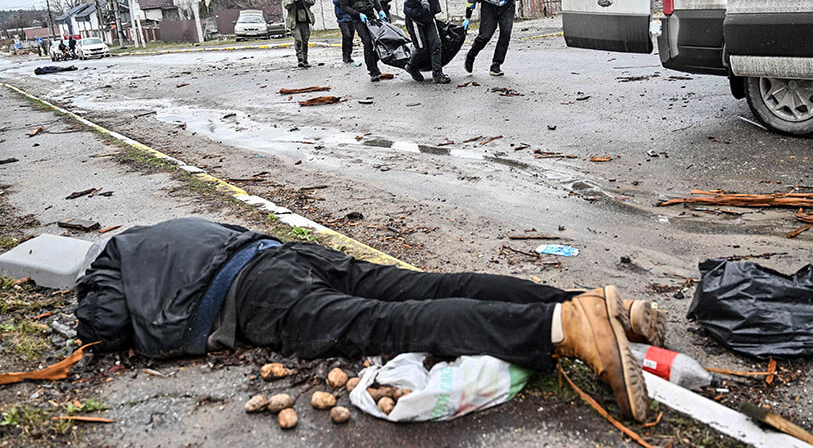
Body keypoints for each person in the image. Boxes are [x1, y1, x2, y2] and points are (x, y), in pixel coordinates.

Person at [75, 217, 661, 422]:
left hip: (255, 295)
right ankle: (600, 303)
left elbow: (103, 323)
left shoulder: (109, 262)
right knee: (430, 286)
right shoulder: (160, 232)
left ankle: (567, 326)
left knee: (387, 324)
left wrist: (90, 303)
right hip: (288, 255)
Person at [403, 0, 450, 84]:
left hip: (428, 15)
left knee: (436, 44)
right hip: (415, 18)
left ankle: (437, 74)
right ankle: (411, 66)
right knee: (422, 48)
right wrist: (423, 0)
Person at [339, 0, 388, 82]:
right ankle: (372, 71)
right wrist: (358, 14)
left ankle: (374, 64)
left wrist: (380, 10)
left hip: (371, 15)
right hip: (358, 19)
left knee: (379, 42)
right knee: (367, 42)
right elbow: (344, 6)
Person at [282, 0, 315, 68]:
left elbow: (312, 2)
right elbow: (286, 5)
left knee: (305, 41)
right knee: (298, 40)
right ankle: (300, 59)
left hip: (304, 21)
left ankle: (305, 59)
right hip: (294, 22)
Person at [333, 0, 355, 64]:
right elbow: (336, 1)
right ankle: (345, 55)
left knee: (351, 37)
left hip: (351, 17)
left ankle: (349, 55)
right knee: (346, 36)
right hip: (342, 18)